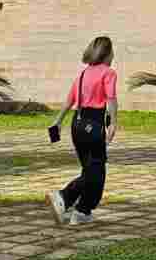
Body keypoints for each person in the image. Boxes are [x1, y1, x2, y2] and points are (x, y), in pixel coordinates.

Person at [48, 35, 118, 226]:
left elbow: (69, 100)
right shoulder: (108, 73)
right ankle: (64, 197)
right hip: (94, 124)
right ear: (107, 52)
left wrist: (58, 121)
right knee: (95, 172)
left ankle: (82, 212)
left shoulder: (83, 74)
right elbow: (111, 99)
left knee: (92, 169)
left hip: (76, 124)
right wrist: (112, 123)